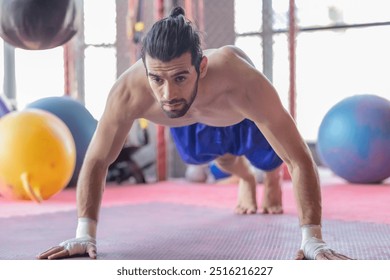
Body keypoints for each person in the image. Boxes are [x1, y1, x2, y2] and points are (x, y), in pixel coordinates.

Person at [38, 6, 351, 260]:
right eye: (157, 79)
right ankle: (244, 179)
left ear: (201, 67)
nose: (168, 92)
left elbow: (299, 159)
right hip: (189, 121)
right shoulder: (129, 91)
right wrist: (84, 234)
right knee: (220, 160)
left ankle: (266, 178)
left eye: (180, 77)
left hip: (239, 113)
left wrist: (313, 239)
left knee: (270, 159)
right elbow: (97, 160)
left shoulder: (242, 82)